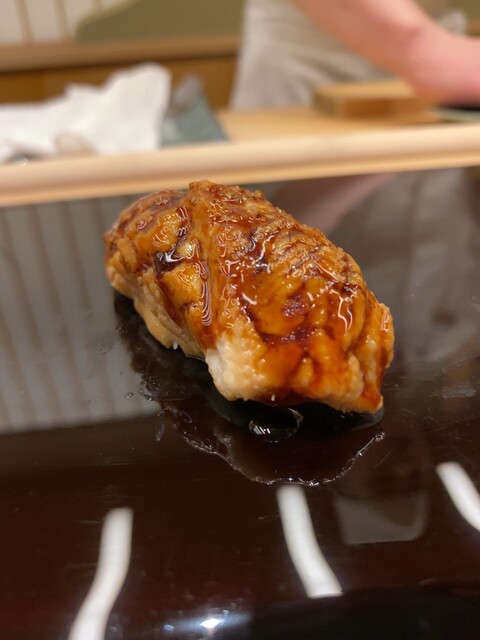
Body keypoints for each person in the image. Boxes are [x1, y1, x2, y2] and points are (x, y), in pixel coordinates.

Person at [230, 0, 480, 368]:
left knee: (423, 347)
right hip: (311, 76)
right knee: (291, 329)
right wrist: (422, 47)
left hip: (451, 93)